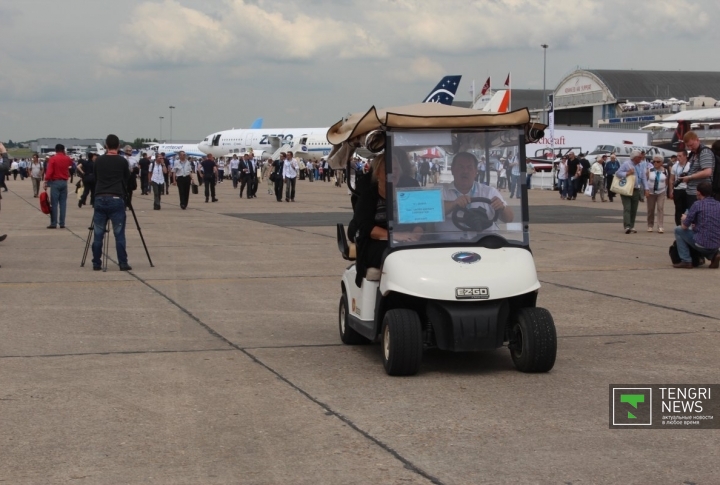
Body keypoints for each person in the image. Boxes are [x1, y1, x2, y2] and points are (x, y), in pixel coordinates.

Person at [352, 152, 421, 286]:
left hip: (406, 239)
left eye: (395, 169)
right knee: (396, 255)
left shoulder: (407, 194)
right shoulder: (369, 196)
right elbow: (366, 227)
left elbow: (420, 219)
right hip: (377, 242)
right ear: (377, 173)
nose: (392, 173)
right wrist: (395, 236)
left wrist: (417, 234)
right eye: (387, 169)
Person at [92, 134, 132, 271]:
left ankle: (96, 262)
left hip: (100, 197)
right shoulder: (122, 161)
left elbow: (95, 177)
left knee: (98, 233)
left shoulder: (98, 160)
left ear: (106, 146)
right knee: (119, 233)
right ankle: (123, 262)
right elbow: (126, 179)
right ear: (119, 146)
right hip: (116, 197)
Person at [672, 182, 720, 269]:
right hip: (716, 242)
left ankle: (686, 260)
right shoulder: (718, 204)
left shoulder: (697, 204)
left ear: (698, 192)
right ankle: (714, 254)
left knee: (678, 230)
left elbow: (684, 227)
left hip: (702, 243)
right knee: (706, 234)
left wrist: (684, 219)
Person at [615, 149, 649, 234]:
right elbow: (618, 173)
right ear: (635, 157)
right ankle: (627, 226)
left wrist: (646, 188)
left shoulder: (641, 165)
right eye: (639, 157)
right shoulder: (626, 164)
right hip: (626, 189)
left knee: (634, 209)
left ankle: (632, 226)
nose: (641, 159)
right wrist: (627, 173)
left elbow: (644, 177)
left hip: (636, 189)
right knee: (627, 208)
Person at [679, 132, 715, 209]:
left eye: (691, 145)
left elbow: (707, 172)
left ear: (697, 140)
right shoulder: (694, 153)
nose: (690, 148)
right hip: (692, 191)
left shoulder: (704, 152)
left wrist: (690, 177)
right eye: (688, 146)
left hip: (700, 193)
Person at [44, 144, 73, 229]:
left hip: (55, 182)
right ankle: (62, 223)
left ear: (55, 150)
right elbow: (70, 163)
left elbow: (49, 172)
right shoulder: (67, 158)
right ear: (63, 150)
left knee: (54, 204)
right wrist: (65, 154)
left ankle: (53, 223)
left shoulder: (53, 159)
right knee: (63, 204)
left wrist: (46, 180)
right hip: (64, 182)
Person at [669, 150, 691, 226]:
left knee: (687, 208)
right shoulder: (675, 166)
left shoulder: (690, 165)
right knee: (678, 208)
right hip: (677, 189)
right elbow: (671, 179)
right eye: (677, 156)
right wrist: (671, 190)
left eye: (680, 156)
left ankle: (686, 224)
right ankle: (678, 225)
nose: (678, 158)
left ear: (685, 156)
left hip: (687, 189)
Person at [646, 155, 667, 233]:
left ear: (661, 162)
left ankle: (660, 226)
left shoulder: (665, 171)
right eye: (654, 161)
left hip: (661, 192)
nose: (655, 163)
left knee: (660, 207)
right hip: (651, 192)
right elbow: (645, 180)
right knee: (651, 209)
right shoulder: (649, 170)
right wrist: (646, 190)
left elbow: (666, 181)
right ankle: (650, 225)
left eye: (658, 162)